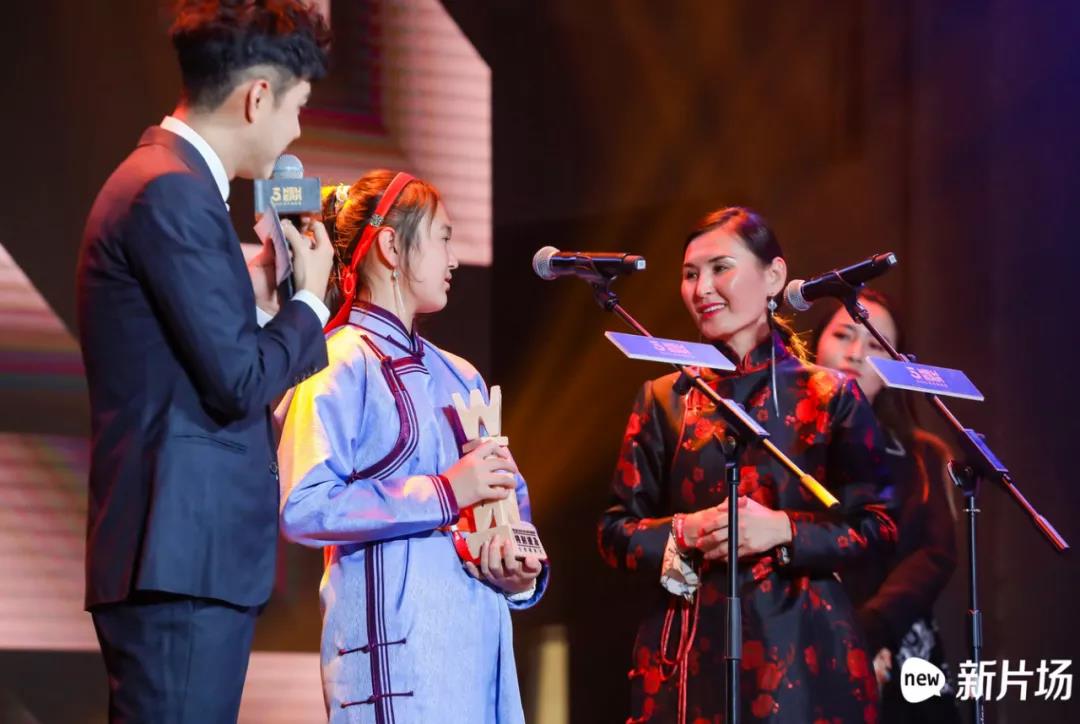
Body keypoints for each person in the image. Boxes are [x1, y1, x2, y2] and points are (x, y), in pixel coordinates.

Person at [75, 2, 333, 721]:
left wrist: (257, 299)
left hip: (186, 557)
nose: (297, 131)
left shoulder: (172, 184)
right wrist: (309, 302)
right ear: (257, 97)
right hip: (180, 554)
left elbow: (206, 357)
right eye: (298, 108)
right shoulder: (171, 189)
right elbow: (239, 380)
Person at [598, 207, 897, 723]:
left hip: (806, 654)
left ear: (774, 276)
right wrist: (685, 530)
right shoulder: (665, 398)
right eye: (690, 274)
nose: (702, 288)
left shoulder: (829, 395)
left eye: (721, 268)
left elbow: (879, 527)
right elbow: (614, 532)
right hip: (691, 657)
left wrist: (782, 529)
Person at [276, 170, 548, 722]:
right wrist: (445, 493)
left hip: (479, 654)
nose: (455, 258)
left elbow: (510, 503)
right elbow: (303, 504)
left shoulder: (462, 375)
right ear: (392, 246)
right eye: (443, 237)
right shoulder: (336, 361)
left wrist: (522, 572)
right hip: (396, 662)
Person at [813, 289, 960, 723]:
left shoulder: (922, 455)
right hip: (807, 643)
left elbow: (933, 556)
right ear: (815, 343)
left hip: (899, 652)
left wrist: (868, 634)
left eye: (876, 345)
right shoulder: (779, 443)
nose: (856, 354)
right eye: (843, 335)